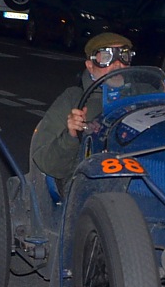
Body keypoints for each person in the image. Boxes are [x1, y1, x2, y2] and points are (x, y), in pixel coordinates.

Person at [31, 32, 135, 180]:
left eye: (124, 56)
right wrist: (72, 135)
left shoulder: (146, 92)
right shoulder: (73, 99)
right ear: (90, 66)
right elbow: (47, 163)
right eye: (106, 57)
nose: (117, 64)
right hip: (90, 184)